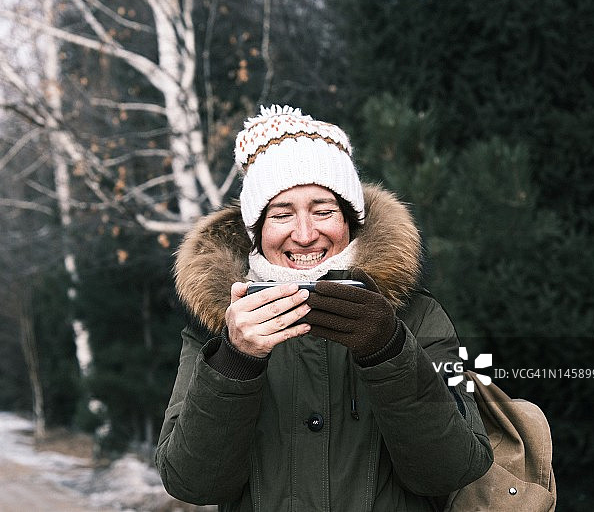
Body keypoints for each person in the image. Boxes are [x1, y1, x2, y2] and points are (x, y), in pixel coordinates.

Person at [156, 105, 493, 510]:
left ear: (350, 220)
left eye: (323, 211)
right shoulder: (217, 327)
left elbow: (453, 469)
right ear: (257, 230)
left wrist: (388, 350)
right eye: (281, 214)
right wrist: (235, 361)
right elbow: (190, 483)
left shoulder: (418, 317)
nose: (304, 234)